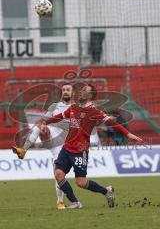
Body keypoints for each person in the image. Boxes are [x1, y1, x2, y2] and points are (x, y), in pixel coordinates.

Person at [13, 84, 142, 209]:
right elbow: (58, 117)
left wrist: (128, 134)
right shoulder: (73, 108)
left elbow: (112, 122)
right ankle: (75, 202)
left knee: (80, 182)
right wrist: (44, 121)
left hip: (80, 151)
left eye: (84, 90)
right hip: (67, 148)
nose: (81, 92)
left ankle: (106, 191)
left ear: (90, 95)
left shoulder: (94, 112)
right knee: (58, 174)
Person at [12, 83, 74, 210]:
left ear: (73, 93)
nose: (65, 92)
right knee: (39, 126)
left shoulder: (76, 108)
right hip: (52, 133)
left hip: (64, 142)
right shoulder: (54, 106)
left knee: (58, 173)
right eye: (63, 90)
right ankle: (23, 150)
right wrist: (44, 124)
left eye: (68, 90)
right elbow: (44, 118)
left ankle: (60, 201)